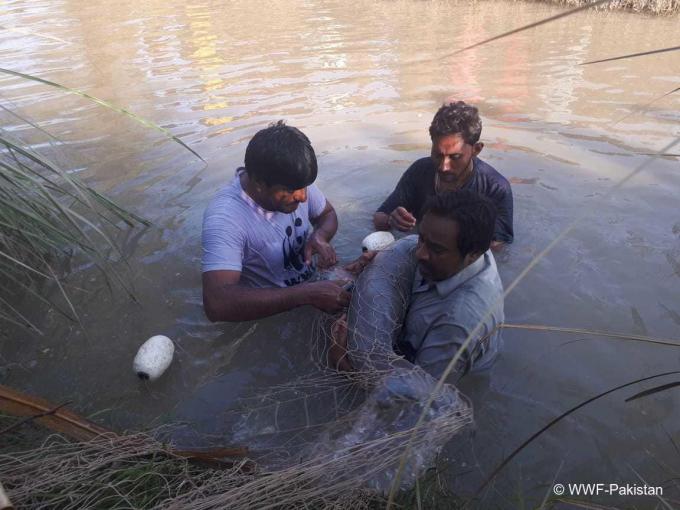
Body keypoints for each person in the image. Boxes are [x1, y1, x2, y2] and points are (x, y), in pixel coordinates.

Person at [336, 190, 504, 382]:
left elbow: (420, 399)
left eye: (436, 249)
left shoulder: (458, 322)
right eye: (421, 238)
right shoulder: (447, 247)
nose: (419, 254)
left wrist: (349, 371)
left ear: (473, 253)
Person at [201, 121, 350, 322]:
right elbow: (217, 304)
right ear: (260, 184)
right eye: (290, 190)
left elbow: (327, 214)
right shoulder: (226, 218)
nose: (303, 197)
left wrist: (320, 236)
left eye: (305, 186)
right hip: (268, 314)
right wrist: (306, 295)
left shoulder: (295, 179)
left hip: (311, 288)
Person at [373, 101, 514, 250]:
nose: (443, 166)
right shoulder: (419, 171)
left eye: (455, 157)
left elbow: (498, 246)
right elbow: (379, 217)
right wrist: (391, 220)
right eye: (438, 155)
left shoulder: (496, 188)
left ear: (476, 149)